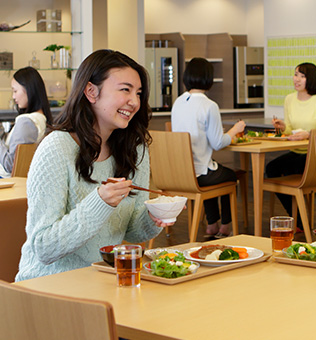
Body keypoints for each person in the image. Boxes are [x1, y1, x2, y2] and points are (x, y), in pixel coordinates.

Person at [16, 50, 173, 281]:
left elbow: (133, 231)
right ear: (91, 91)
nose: (135, 102)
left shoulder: (134, 148)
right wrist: (99, 202)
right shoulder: (57, 148)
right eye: (125, 89)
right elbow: (44, 248)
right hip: (49, 283)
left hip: (103, 279)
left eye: (138, 93)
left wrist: (154, 217)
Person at [171, 57, 246, 239]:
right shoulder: (209, 105)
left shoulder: (178, 102)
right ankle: (225, 227)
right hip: (199, 174)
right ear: (208, 78)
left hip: (179, 173)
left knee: (212, 169)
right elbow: (218, 143)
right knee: (228, 176)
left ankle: (212, 225)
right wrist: (235, 130)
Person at [266, 62, 316, 224]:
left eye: (302, 76)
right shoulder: (289, 99)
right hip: (296, 151)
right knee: (271, 168)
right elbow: (290, 128)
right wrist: (283, 127)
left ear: (312, 79)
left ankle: (299, 221)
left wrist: (307, 134)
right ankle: (297, 218)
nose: (297, 79)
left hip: (313, 155)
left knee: (289, 168)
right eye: (296, 75)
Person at [0, 67, 52, 177]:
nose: (13, 97)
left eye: (15, 91)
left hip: (7, 181)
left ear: (29, 89)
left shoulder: (26, 122)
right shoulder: (42, 120)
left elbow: (10, 165)